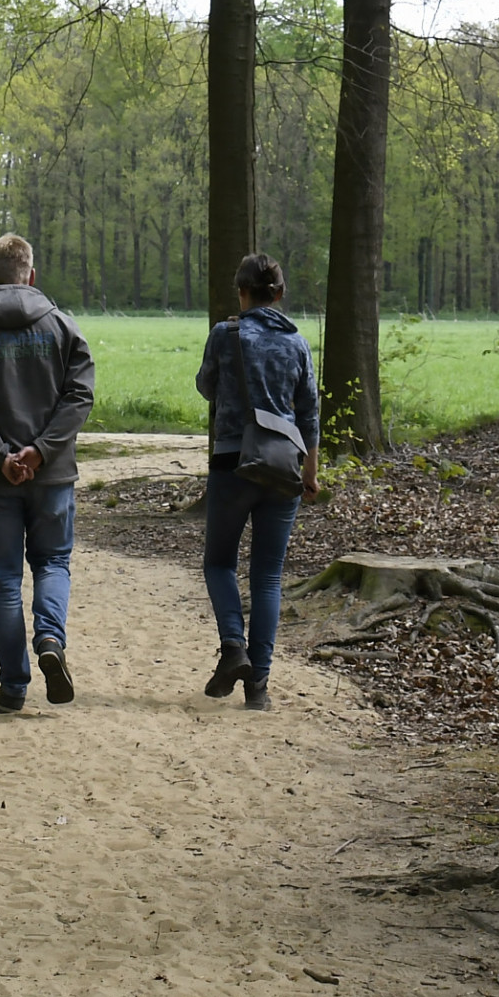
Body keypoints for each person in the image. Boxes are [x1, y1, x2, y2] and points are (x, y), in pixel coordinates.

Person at [0, 234, 95, 713]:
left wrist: (1, 455)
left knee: (5, 581)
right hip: (51, 475)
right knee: (52, 564)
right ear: (30, 274)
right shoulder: (62, 325)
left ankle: (13, 687)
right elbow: (80, 396)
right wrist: (41, 451)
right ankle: (50, 639)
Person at [195, 253, 320, 711]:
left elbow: (206, 386)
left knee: (219, 564)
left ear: (241, 292)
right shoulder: (299, 345)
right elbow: (309, 415)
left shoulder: (225, 335)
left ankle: (233, 648)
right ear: (280, 295)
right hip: (284, 466)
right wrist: (310, 474)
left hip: (232, 460)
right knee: (268, 576)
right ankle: (259, 688)